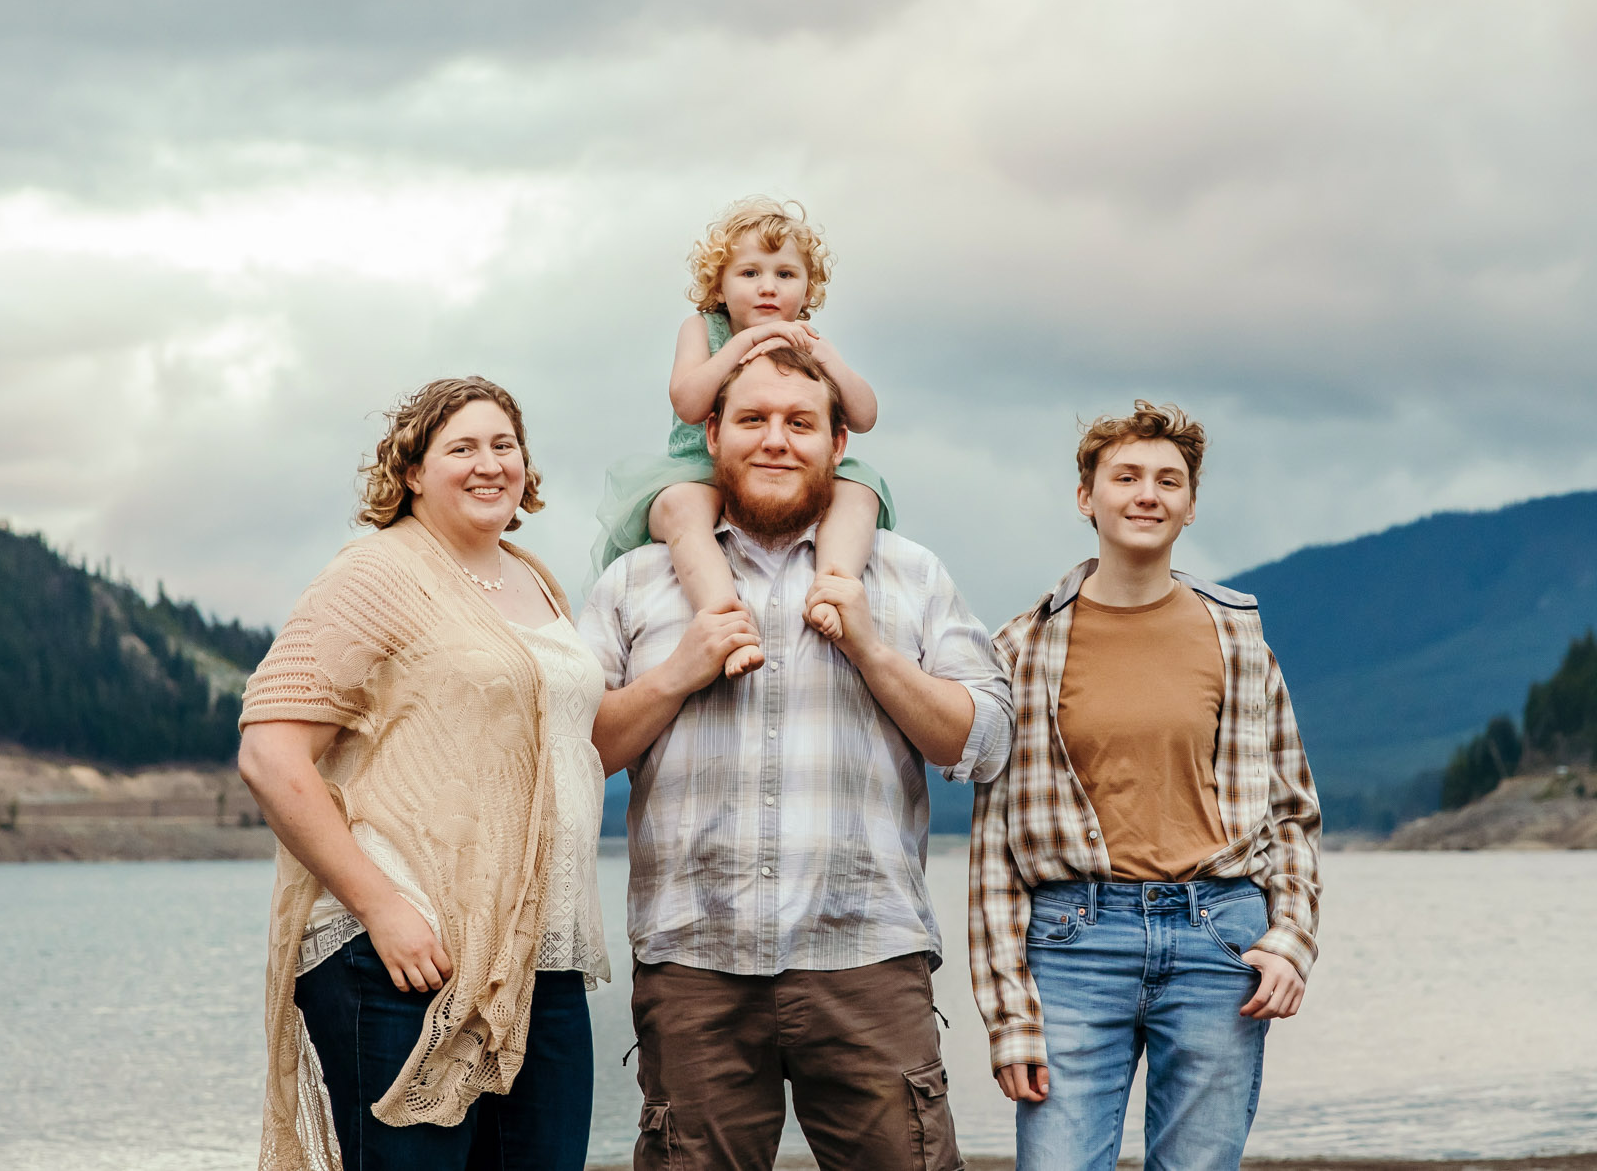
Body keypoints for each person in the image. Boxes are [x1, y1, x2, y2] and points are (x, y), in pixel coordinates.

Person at [582, 344, 1015, 1171]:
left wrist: (876, 651)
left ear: (838, 444)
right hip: (694, 966)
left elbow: (986, 742)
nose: (776, 440)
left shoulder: (910, 575)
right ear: (711, 434)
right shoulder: (635, 582)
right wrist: (677, 674)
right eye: (751, 420)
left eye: (799, 423)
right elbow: (571, 757)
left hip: (868, 961)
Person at [238, 377, 608, 1171]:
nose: (488, 464)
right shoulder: (376, 575)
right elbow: (269, 754)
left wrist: (684, 673)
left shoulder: (537, 580)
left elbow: (568, 751)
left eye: (503, 445)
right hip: (406, 961)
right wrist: (382, 907)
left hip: (539, 960)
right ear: (412, 471)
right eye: (462, 448)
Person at [968, 402, 1323, 1171]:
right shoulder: (1020, 647)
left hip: (1218, 942)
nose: (1146, 494)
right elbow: (995, 849)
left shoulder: (1237, 635)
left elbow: (1291, 813)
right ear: (1085, 496)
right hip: (1071, 947)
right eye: (1124, 476)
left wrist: (1290, 940)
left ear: (1190, 505)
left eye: (1169, 480)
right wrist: (1008, 1016)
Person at [593, 196, 892, 675]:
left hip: (786, 468)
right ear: (720, 285)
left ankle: (833, 589)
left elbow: (865, 416)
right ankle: (723, 619)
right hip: (700, 468)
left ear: (807, 288)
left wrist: (828, 359)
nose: (767, 287)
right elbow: (689, 403)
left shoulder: (806, 339)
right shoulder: (703, 329)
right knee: (678, 509)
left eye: (785, 275)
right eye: (750, 273)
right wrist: (739, 346)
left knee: (860, 490)